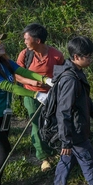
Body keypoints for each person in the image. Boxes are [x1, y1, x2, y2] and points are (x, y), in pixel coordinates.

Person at [0, 31, 52, 185]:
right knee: (3, 150)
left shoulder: (5, 62)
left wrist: (45, 80)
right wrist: (36, 95)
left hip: (3, 116)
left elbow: (25, 73)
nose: (1, 45)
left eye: (0, 42)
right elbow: (10, 87)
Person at [49, 36, 93, 185]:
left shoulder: (77, 73)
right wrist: (66, 140)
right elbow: (64, 111)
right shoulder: (70, 79)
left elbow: (84, 100)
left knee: (67, 161)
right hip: (75, 131)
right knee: (90, 163)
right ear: (76, 57)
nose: (91, 59)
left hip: (75, 129)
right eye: (88, 56)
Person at [15, 23, 65, 172]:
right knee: (36, 124)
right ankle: (44, 157)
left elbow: (62, 75)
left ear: (37, 40)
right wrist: (31, 82)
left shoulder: (56, 55)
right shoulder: (25, 55)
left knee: (53, 122)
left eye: (26, 39)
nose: (24, 42)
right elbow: (17, 75)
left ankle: (55, 149)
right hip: (32, 95)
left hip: (51, 95)